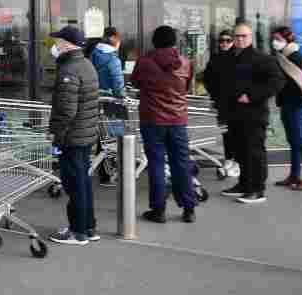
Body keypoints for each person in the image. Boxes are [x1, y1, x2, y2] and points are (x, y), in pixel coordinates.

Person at [130, 26, 197, 224]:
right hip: (178, 120)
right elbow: (186, 88)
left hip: (152, 120)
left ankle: (158, 210)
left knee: (156, 164)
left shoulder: (144, 62)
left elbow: (135, 83)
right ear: (174, 42)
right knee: (181, 164)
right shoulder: (185, 63)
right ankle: (189, 208)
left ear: (154, 42)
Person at [48, 25, 101, 245]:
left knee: (74, 184)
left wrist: (56, 134)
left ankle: (77, 232)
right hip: (84, 134)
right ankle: (88, 227)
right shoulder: (86, 64)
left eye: (58, 41)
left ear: (66, 44)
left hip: (73, 136)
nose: (55, 45)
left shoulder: (68, 70)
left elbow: (66, 111)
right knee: (83, 182)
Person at [224, 21, 285, 204]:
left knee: (254, 152)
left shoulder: (262, 58)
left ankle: (257, 190)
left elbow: (277, 81)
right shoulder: (231, 57)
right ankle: (244, 184)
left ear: (250, 37)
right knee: (241, 151)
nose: (240, 39)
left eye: (244, 36)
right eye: (237, 36)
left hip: (254, 114)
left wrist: (251, 95)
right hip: (235, 114)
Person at [272, 26, 302, 191]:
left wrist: (280, 84)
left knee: (301, 141)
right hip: (286, 104)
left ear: (287, 40)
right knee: (293, 141)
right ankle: (294, 176)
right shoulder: (280, 57)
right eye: (274, 39)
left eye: (278, 39)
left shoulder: (298, 57)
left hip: (297, 105)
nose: (275, 42)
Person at [201, 30, 242, 181]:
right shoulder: (216, 57)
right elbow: (207, 77)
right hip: (221, 102)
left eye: (228, 40)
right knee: (226, 132)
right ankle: (229, 159)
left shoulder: (238, 57)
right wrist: (213, 93)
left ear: (233, 41)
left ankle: (237, 162)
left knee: (236, 132)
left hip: (236, 103)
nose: (224, 43)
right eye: (221, 40)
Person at [89, 27, 125, 187]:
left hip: (94, 100)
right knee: (111, 139)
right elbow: (118, 85)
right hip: (111, 102)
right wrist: (123, 96)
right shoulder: (113, 60)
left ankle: (104, 172)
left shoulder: (92, 54)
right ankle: (107, 173)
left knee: (102, 137)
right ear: (114, 38)